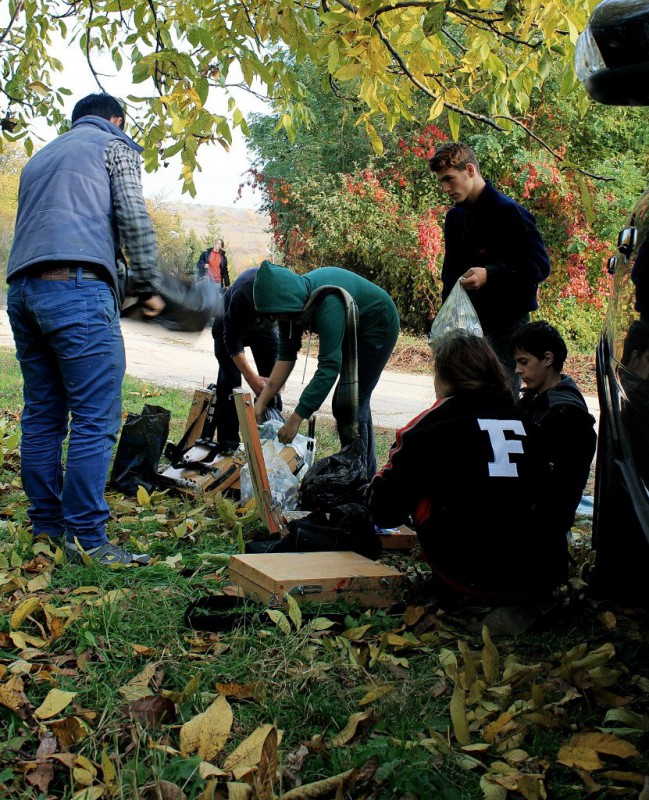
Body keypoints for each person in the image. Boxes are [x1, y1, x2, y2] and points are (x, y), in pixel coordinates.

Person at [6, 92, 165, 566]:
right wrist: (149, 288)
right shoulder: (114, 145)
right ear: (115, 119)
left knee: (42, 415)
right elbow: (133, 220)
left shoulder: (39, 158)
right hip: (76, 286)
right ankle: (87, 541)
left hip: (23, 290)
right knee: (95, 419)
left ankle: (48, 528)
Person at [368, 330, 568, 602]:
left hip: (469, 574)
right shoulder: (526, 420)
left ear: (444, 377)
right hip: (540, 575)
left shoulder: (433, 424)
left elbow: (384, 508)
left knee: (421, 486)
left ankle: (460, 583)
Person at [252, 261, 400, 478]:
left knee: (350, 403)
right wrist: (262, 401)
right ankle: (365, 472)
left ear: (287, 302)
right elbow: (286, 356)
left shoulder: (327, 302)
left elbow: (329, 367)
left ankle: (359, 479)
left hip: (378, 326)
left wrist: (296, 418)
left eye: (276, 314)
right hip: (352, 323)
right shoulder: (291, 306)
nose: (275, 319)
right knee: (354, 402)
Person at [429, 142, 551, 384]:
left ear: (470, 170)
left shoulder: (509, 212)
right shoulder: (455, 218)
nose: (445, 188)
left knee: (501, 401)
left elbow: (538, 266)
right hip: (463, 330)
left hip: (504, 329)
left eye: (450, 179)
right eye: (441, 181)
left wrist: (490, 275)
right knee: (463, 399)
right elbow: (450, 275)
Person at [512, 321, 596, 535]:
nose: (517, 370)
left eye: (524, 362)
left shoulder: (567, 415)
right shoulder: (536, 398)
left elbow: (557, 491)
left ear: (548, 359)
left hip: (542, 534)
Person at [210, 267, 281, 454]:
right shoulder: (244, 294)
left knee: (271, 385)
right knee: (230, 384)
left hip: (264, 332)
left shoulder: (289, 292)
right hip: (228, 327)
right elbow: (231, 340)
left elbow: (288, 344)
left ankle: (270, 445)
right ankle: (228, 444)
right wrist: (252, 378)